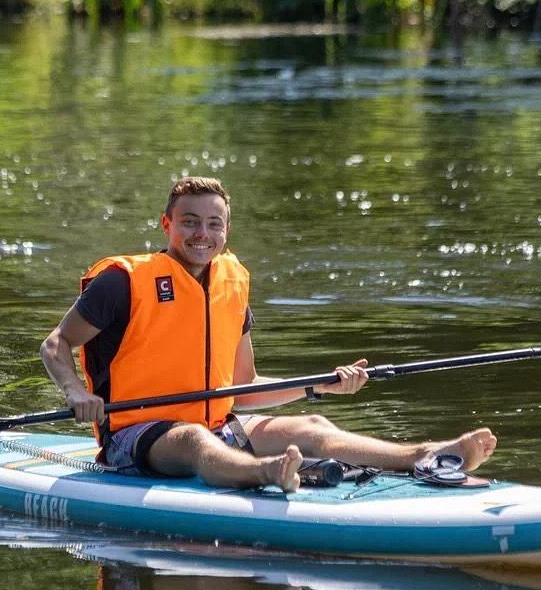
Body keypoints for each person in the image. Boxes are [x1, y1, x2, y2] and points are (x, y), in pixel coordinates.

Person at [40, 176, 497, 494]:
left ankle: (426, 453)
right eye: (190, 221)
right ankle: (266, 472)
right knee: (193, 441)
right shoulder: (123, 282)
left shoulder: (231, 284)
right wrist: (75, 391)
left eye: (213, 223)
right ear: (167, 224)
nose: (203, 233)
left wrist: (319, 385)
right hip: (136, 437)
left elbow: (244, 389)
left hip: (218, 426)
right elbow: (55, 344)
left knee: (313, 427)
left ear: (227, 229)